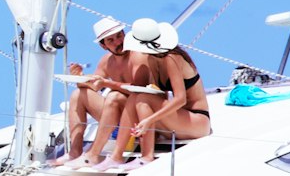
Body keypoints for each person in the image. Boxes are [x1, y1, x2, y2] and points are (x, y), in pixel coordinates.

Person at [121, 18, 211, 163]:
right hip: (179, 121)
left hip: (197, 121)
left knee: (143, 99)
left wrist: (149, 120)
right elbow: (159, 95)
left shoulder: (172, 58)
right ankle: (118, 154)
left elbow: (180, 98)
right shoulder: (152, 59)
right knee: (136, 97)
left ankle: (146, 156)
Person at [53, 16, 140, 165]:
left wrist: (108, 83)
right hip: (116, 120)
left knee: (115, 96)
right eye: (110, 40)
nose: (118, 42)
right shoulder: (107, 61)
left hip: (137, 118)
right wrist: (79, 77)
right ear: (103, 45)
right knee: (77, 94)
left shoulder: (137, 55)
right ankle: (75, 151)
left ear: (125, 34)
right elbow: (94, 85)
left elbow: (141, 90)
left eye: (119, 36)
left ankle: (93, 153)